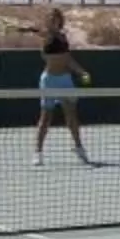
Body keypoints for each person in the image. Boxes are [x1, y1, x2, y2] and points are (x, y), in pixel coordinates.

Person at [33, 9, 97, 167]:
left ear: (60, 21)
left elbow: (68, 60)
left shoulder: (63, 37)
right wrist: (25, 29)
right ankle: (38, 152)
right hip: (49, 81)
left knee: (71, 116)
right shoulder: (46, 36)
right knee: (46, 118)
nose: (54, 21)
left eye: (57, 19)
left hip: (65, 80)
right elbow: (38, 33)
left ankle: (79, 148)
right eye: (51, 19)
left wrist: (81, 72)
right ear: (48, 21)